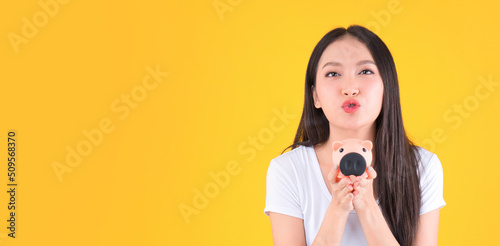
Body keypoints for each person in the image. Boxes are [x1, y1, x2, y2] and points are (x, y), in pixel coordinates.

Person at [264, 25, 445, 246]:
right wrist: (337, 209)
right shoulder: (288, 170)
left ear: (387, 87)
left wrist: (367, 205)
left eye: (365, 71)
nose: (350, 88)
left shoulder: (422, 167)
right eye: (333, 74)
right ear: (315, 97)